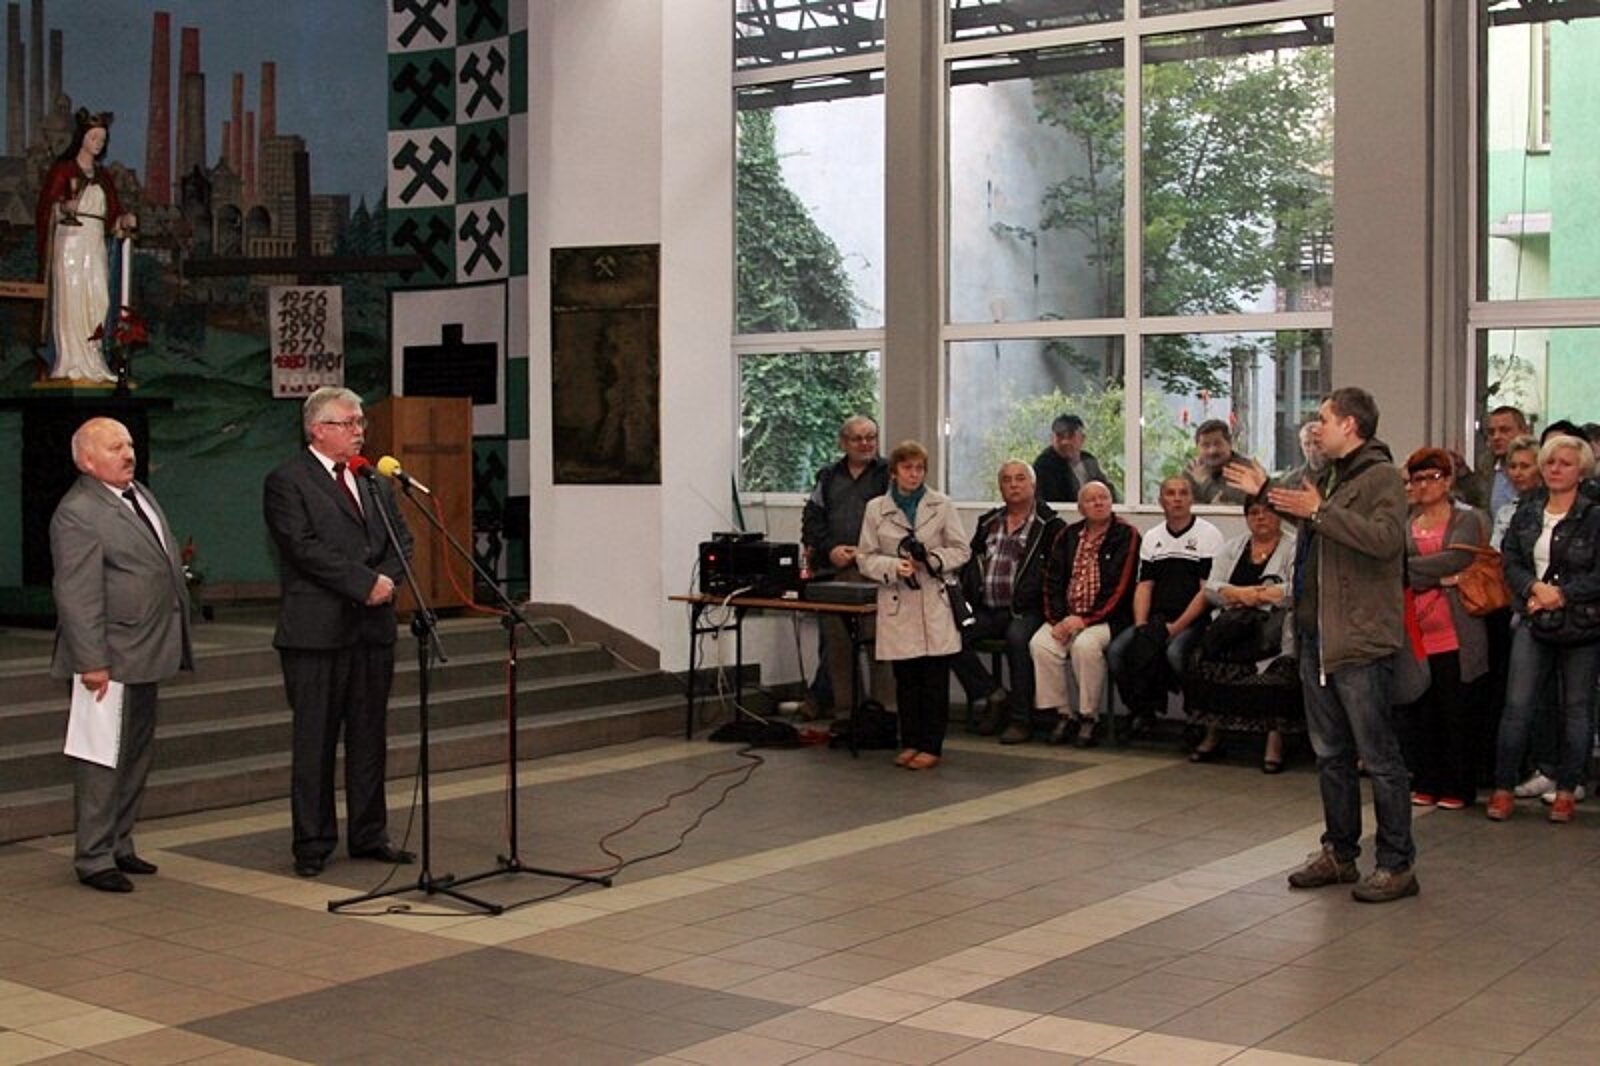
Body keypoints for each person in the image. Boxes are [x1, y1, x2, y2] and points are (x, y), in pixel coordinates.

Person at [1227, 386, 1418, 904]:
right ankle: (1340, 853)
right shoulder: (1332, 474)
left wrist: (1319, 512)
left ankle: (1397, 864)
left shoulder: (1381, 476)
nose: (1317, 427)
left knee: (1378, 757)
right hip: (1317, 635)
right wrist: (1267, 490)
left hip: (1358, 637)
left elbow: (1385, 541)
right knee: (1330, 753)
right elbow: (1311, 516)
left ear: (1351, 425)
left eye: (1325, 419)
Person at [264, 387, 415, 877]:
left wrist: (385, 581)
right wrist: (362, 583)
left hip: (372, 629)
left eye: (360, 423)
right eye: (348, 424)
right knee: (316, 741)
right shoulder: (288, 480)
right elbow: (301, 547)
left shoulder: (372, 479)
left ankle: (369, 833)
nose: (359, 432)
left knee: (370, 737)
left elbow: (401, 539)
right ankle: (313, 842)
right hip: (317, 632)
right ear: (318, 429)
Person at [49, 417, 192, 892]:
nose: (128, 453)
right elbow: (77, 593)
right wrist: (91, 661)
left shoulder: (137, 493)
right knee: (101, 759)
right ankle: (93, 857)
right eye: (115, 447)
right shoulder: (78, 512)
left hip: (147, 650)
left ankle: (119, 842)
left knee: (134, 754)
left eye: (128, 444)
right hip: (109, 657)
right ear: (87, 461)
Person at [1486, 434, 1600, 824]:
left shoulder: (1594, 516)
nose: (1555, 469)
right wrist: (1534, 589)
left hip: (1582, 624)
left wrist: (1561, 595)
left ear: (1581, 471)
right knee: (1516, 707)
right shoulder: (1528, 512)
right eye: (1550, 462)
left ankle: (1567, 790)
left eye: (1565, 463)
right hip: (1534, 618)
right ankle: (1503, 788)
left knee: (1577, 709)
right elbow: (1511, 560)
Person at [855, 440, 970, 770]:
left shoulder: (942, 504)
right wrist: (894, 566)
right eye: (907, 468)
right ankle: (911, 741)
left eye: (919, 468)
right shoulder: (876, 509)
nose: (914, 474)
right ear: (894, 472)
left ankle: (932, 745)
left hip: (934, 599)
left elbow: (961, 550)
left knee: (934, 678)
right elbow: (865, 557)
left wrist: (932, 560)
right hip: (898, 600)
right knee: (906, 678)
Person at [1395, 448, 1490, 811]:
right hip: (1417, 630)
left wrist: (1416, 572)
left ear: (1448, 481)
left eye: (1432, 477)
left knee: (1456, 711)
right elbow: (1396, 566)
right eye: (1417, 479)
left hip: (1457, 630)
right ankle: (1427, 780)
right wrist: (1439, 577)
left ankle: (1458, 785)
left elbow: (1459, 558)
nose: (1424, 485)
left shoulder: (1467, 519)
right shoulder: (1405, 522)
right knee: (1423, 710)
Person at [1183, 495, 1299, 772]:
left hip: (1272, 633)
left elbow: (1297, 588)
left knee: (1279, 674)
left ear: (1280, 516)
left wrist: (1255, 596)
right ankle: (1212, 735)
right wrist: (1239, 593)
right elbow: (1212, 588)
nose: (1261, 517)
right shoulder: (1233, 547)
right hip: (1231, 629)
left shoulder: (1294, 546)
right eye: (1254, 512)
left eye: (1267, 511)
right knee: (1203, 661)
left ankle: (1274, 744)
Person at [951, 459, 1064, 743]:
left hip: (1026, 610)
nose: (1013, 485)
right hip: (986, 608)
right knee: (950, 637)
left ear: (1033, 485)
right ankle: (994, 694)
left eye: (1020, 478)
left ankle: (1021, 719)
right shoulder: (988, 522)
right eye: (1007, 480)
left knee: (1017, 640)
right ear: (1000, 487)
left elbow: (1057, 573)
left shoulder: (1050, 525)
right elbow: (970, 565)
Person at [1106, 476, 1224, 737]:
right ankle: (1142, 711)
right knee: (1117, 652)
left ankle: (1197, 718)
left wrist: (1177, 627)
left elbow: (1206, 591)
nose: (1177, 499)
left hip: (1196, 620)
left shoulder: (1208, 534)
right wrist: (1141, 626)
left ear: (1192, 499)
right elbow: (1144, 586)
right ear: (1161, 501)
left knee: (1175, 653)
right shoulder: (1152, 537)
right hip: (1158, 618)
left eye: (1183, 493)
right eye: (1171, 493)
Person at [1029, 481, 1140, 747]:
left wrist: (1085, 620)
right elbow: (1052, 581)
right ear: (1080, 508)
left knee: (1085, 646)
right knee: (1041, 644)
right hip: (1067, 615)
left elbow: (1120, 587)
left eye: (1104, 497)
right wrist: (1058, 620)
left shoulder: (1126, 534)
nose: (1099, 502)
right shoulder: (1067, 535)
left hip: (1108, 618)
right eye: (1091, 499)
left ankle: (1089, 717)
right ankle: (1063, 714)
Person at [801, 415, 894, 717]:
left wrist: (864, 552)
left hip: (874, 571)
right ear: (843, 443)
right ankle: (847, 712)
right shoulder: (828, 476)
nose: (865, 444)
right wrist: (830, 550)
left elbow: (897, 521)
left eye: (871, 437)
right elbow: (811, 520)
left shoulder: (888, 474)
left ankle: (883, 713)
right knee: (837, 647)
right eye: (857, 438)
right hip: (833, 572)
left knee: (878, 644)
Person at [35, 109, 137, 384]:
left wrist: (123, 220)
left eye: (102, 139)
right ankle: (70, 360)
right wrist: (62, 207)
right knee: (72, 298)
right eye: (94, 137)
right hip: (70, 241)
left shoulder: (103, 177)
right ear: (82, 138)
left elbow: (112, 213)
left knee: (98, 296)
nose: (98, 143)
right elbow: (46, 207)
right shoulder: (63, 170)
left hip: (94, 240)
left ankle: (94, 359)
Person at [1033, 414, 1115, 503]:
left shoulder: (1089, 461)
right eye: (1060, 436)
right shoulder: (1043, 465)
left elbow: (1107, 491)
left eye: (1071, 436)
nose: (1065, 442)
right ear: (1052, 439)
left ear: (1082, 438)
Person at [1462, 405, 1529, 512]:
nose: (1496, 437)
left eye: (1504, 430)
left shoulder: (1541, 469)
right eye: (1491, 432)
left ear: (1524, 431)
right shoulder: (1485, 470)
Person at [1185, 419, 1251, 506]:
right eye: (1206, 445)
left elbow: (1231, 504)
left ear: (1230, 444)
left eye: (1218, 444)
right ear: (1197, 448)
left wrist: (1205, 481)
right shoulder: (1193, 468)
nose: (1212, 451)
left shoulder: (1244, 470)